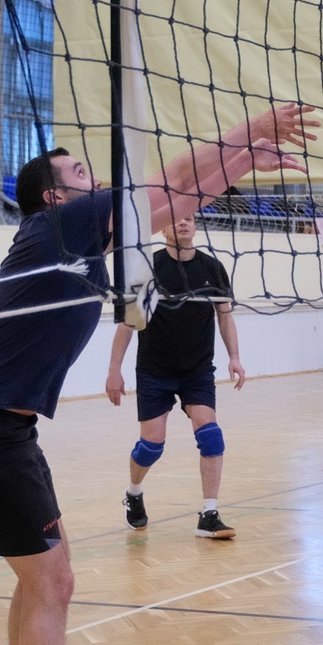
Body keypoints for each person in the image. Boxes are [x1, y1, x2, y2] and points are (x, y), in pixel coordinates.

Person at [0, 103, 313, 645]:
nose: (93, 176)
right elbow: (169, 181)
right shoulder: (58, 225)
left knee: (44, 579)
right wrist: (250, 130)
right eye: (80, 171)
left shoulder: (75, 241)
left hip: (3, 429)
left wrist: (242, 163)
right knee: (53, 583)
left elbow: (177, 203)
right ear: (56, 195)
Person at [106, 209, 242, 539]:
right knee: (151, 445)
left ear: (195, 227)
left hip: (198, 369)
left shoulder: (212, 267)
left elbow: (225, 316)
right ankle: (134, 493)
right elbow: (128, 323)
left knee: (211, 436)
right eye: (176, 219)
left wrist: (235, 357)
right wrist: (114, 370)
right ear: (162, 228)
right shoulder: (148, 267)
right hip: (154, 369)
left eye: (189, 219)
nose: (183, 222)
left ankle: (209, 514)